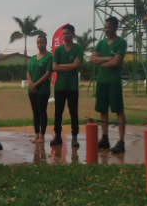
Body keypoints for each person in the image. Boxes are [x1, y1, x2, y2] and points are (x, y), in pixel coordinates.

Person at [89, 16, 127, 153]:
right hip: (101, 81)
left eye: (109, 27)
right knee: (102, 110)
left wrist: (100, 61)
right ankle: (104, 138)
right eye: (105, 27)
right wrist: (107, 58)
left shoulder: (121, 42)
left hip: (114, 82)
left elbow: (116, 62)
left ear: (116, 27)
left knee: (118, 110)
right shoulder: (101, 43)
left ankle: (121, 141)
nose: (107, 30)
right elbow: (91, 59)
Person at [50, 24, 84, 147]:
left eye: (67, 33)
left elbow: (76, 66)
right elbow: (54, 68)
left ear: (73, 34)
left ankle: (74, 136)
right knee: (58, 112)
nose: (65, 35)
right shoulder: (58, 50)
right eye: (63, 33)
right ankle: (57, 136)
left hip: (73, 87)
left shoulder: (78, 48)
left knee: (73, 112)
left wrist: (61, 67)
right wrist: (70, 65)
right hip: (59, 86)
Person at [26, 35, 53, 143]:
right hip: (31, 89)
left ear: (46, 43)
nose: (39, 44)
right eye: (38, 42)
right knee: (35, 112)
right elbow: (28, 72)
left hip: (43, 90)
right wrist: (31, 84)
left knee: (42, 112)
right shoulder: (33, 58)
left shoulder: (49, 57)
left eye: (42, 42)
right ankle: (36, 135)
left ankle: (42, 136)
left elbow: (47, 74)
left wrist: (36, 84)